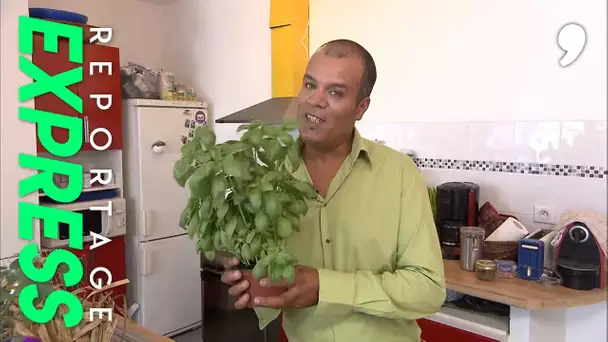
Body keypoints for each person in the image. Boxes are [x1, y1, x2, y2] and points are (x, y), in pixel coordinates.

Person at [220, 39, 446, 342]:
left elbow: (427, 289)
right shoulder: (269, 177)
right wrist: (242, 270)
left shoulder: (398, 172)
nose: (316, 100)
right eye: (310, 84)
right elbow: (257, 260)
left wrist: (324, 287)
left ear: (361, 108)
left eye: (336, 92)